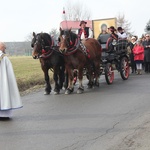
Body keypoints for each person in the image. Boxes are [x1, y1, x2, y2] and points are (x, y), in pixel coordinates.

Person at [0, 42, 23, 120]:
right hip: (4, 81)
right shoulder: (4, 58)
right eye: (4, 48)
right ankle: (4, 114)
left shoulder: (4, 57)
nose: (5, 49)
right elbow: (9, 72)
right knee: (5, 94)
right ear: (1, 48)